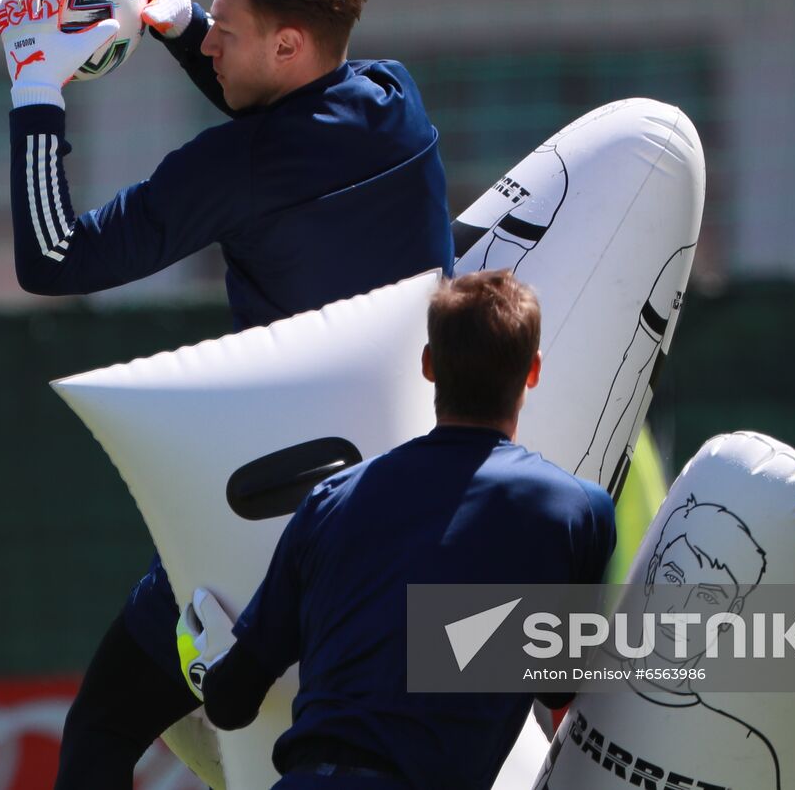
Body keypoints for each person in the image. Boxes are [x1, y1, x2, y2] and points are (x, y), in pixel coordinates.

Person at [0, 0, 455, 786]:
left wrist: (34, 86)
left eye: (225, 32)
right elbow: (287, 130)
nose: (210, 46)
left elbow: (52, 256)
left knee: (99, 731)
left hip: (278, 534)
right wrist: (174, 22)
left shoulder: (233, 171)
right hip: (424, 514)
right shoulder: (397, 103)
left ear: (286, 46)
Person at [186, 270, 618, 789]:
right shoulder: (577, 511)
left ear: (428, 365)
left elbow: (231, 704)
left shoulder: (329, 501)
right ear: (533, 372)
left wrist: (205, 661)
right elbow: (559, 688)